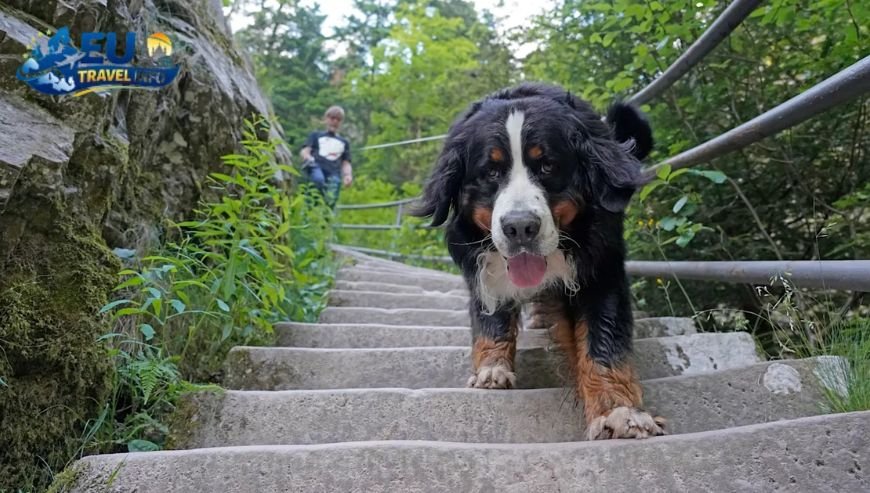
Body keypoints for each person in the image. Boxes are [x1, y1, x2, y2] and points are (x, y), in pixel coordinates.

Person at [300, 106, 353, 209]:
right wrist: (307, 157)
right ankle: (310, 212)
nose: (335, 122)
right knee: (318, 182)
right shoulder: (315, 135)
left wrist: (348, 175)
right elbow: (305, 150)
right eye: (332, 118)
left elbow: (346, 162)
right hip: (316, 167)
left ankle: (325, 219)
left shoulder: (344, 142)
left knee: (332, 196)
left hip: (334, 173)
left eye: (338, 119)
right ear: (326, 119)